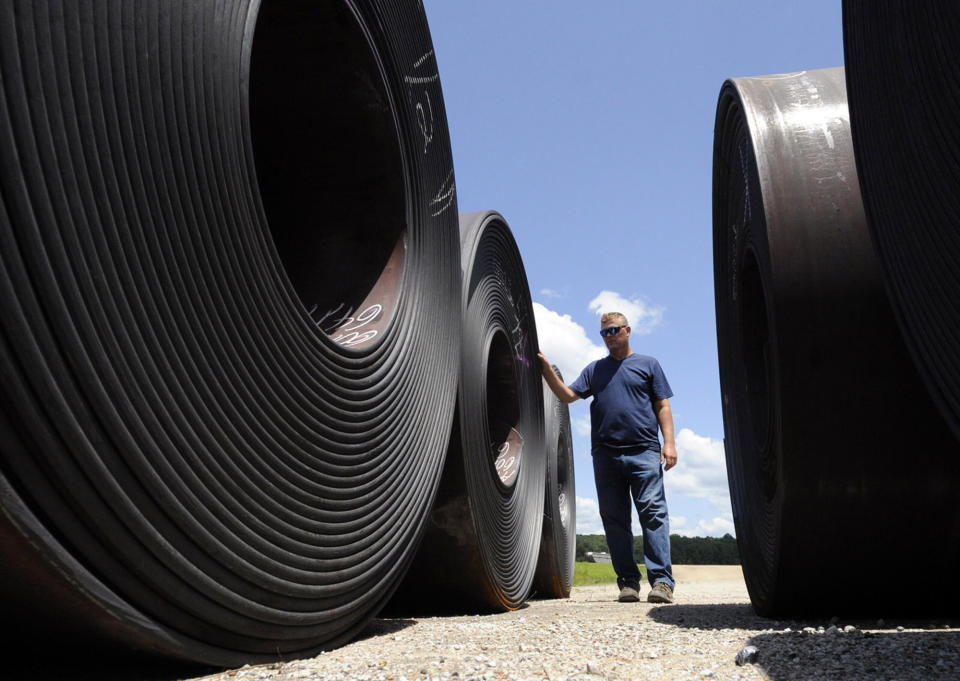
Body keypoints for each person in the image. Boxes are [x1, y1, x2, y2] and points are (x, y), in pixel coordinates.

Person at [538, 312, 677, 604]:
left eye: (614, 330)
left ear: (627, 330)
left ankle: (662, 582)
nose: (609, 336)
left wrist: (670, 443)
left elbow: (662, 405)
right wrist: (545, 368)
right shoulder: (595, 370)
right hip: (606, 455)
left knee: (652, 514)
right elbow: (566, 396)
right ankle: (628, 583)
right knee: (614, 520)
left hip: (644, 451)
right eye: (604, 333)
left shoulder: (648, 364)